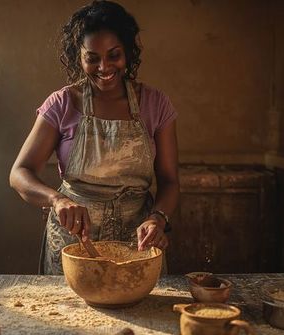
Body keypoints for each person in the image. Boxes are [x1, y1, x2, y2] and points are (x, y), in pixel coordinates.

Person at [10, 0, 179, 275]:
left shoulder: (155, 104)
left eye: (114, 55)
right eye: (93, 58)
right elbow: (19, 173)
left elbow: (170, 182)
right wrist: (57, 200)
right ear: (79, 57)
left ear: (128, 52)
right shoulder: (62, 103)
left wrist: (157, 219)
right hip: (74, 240)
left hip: (137, 243)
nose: (104, 67)